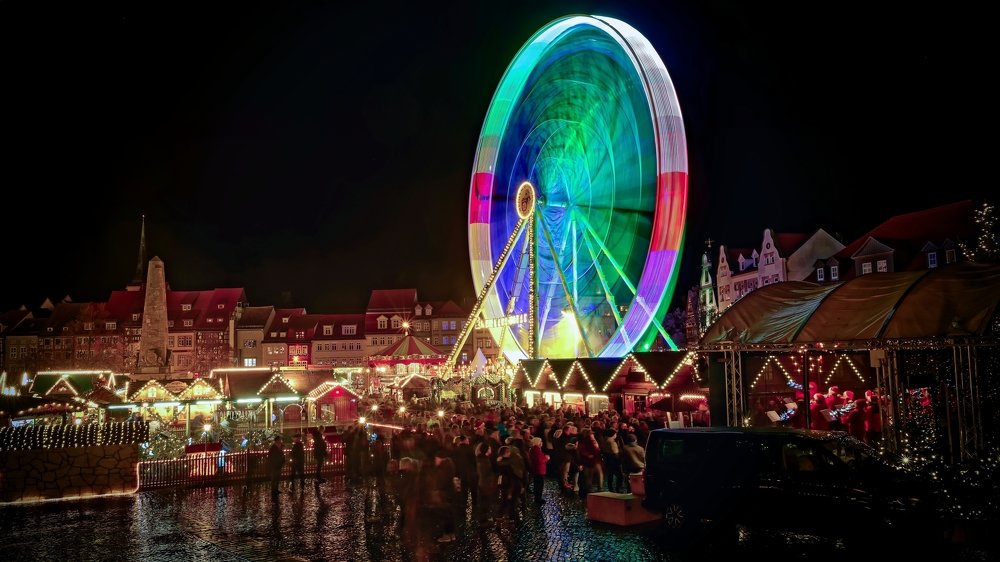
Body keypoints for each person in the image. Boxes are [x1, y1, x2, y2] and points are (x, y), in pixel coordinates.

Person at [527, 436, 549, 504]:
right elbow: (539, 460)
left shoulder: (535, 449)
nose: (542, 443)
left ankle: (538, 498)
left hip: (537, 469)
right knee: (539, 486)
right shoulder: (536, 449)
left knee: (537, 485)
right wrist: (546, 458)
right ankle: (538, 499)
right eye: (540, 441)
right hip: (539, 470)